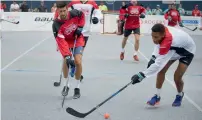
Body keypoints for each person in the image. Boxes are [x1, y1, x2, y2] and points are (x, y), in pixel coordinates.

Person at [131, 23, 196, 107]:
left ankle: (179, 95)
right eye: (152, 36)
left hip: (187, 52)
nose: (153, 39)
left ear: (163, 35)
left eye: (156, 37)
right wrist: (153, 57)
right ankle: (157, 96)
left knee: (177, 77)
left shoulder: (169, 40)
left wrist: (142, 75)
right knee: (161, 71)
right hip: (174, 48)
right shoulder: (161, 32)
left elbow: (158, 64)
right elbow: (158, 44)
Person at [53, 1, 85, 99]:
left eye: (64, 11)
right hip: (65, 41)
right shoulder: (56, 24)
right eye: (60, 11)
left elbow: (82, 16)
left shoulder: (75, 13)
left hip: (77, 38)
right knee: (66, 61)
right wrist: (67, 56)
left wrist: (80, 26)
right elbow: (61, 41)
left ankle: (77, 87)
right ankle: (66, 85)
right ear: (57, 11)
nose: (62, 13)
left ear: (67, 9)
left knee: (78, 61)